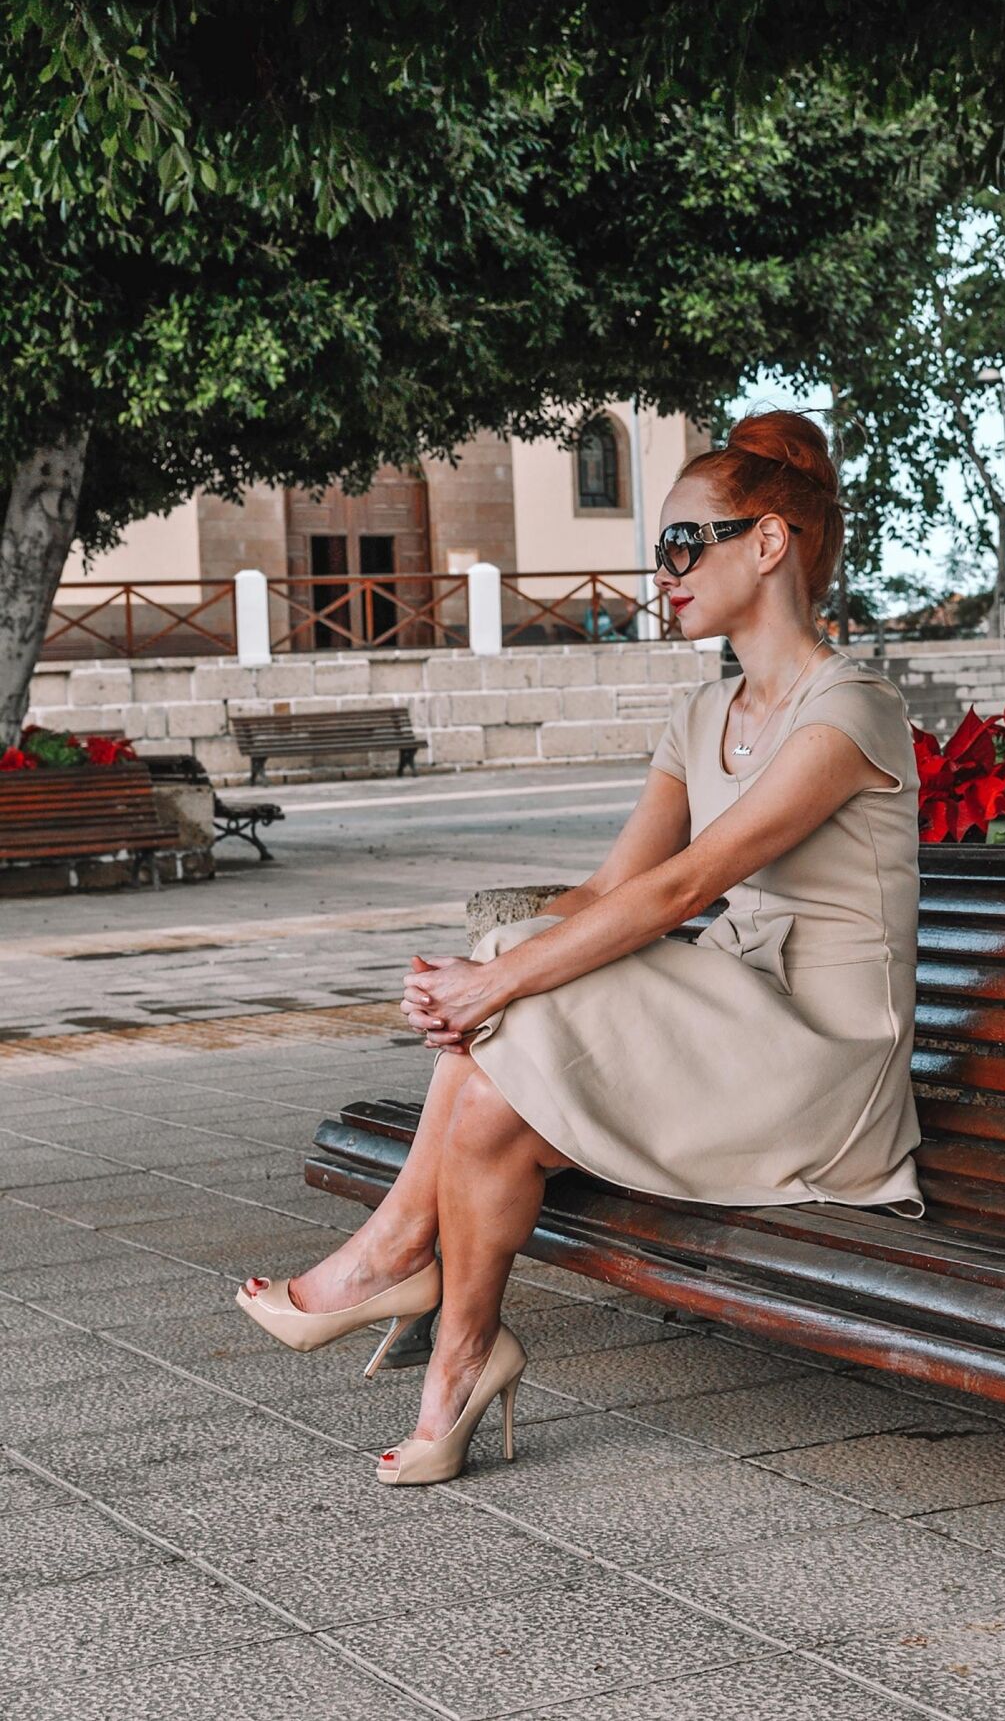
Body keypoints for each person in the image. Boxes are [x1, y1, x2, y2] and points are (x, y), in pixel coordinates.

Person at [235, 408, 924, 1486]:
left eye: (685, 544)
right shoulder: (703, 716)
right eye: (660, 550)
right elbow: (610, 886)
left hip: (822, 1064)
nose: (667, 571)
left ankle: (391, 1257)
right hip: (730, 1028)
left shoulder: (854, 709)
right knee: (496, 1086)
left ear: (770, 544)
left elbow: (689, 886)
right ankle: (458, 1362)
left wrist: (497, 981)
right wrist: (484, 971)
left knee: (511, 994)